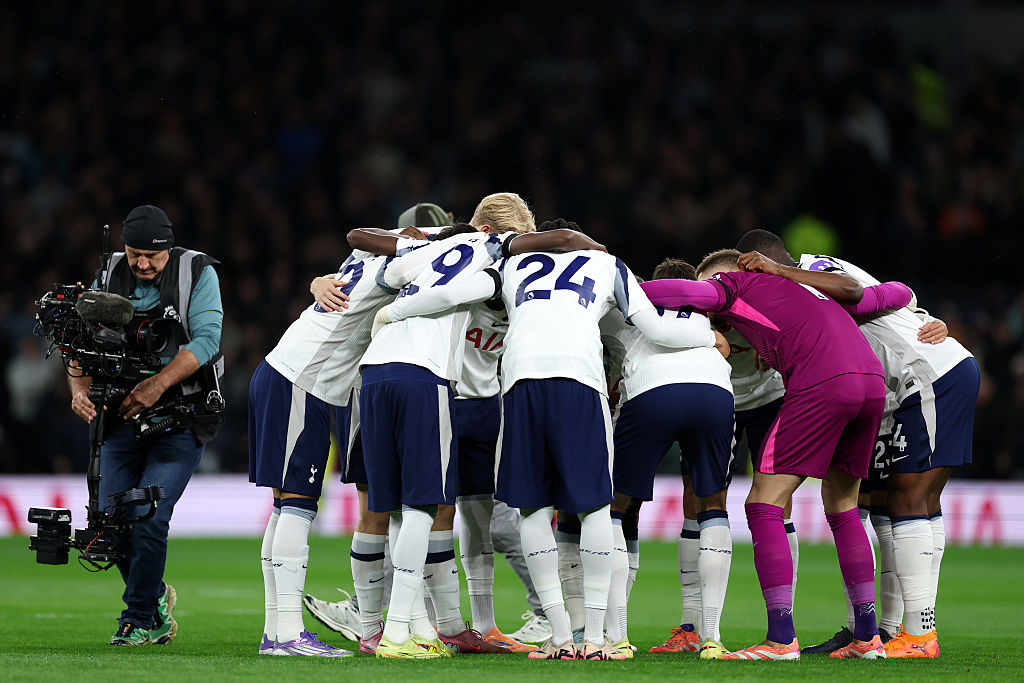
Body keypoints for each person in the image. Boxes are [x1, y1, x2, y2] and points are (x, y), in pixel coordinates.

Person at [641, 249, 913, 661]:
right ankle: (867, 637)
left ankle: (781, 639)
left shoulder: (732, 285)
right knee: (842, 505)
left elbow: (676, 291)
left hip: (823, 382)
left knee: (763, 503)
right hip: (871, 382)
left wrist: (618, 290)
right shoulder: (810, 288)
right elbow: (894, 293)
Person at [734, 229, 978, 658]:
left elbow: (862, 298)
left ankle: (921, 634)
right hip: (892, 392)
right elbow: (894, 296)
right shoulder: (808, 282)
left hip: (924, 377)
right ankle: (876, 631)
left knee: (909, 499)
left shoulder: (807, 275)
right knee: (878, 499)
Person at [248, 213, 428, 655]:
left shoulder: (362, 253)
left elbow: (356, 251)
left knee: (284, 507)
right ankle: (287, 635)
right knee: (296, 506)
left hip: (286, 372)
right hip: (303, 380)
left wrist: (314, 282)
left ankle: (278, 630)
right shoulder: (398, 264)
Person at [68, 205, 223, 646]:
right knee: (109, 520)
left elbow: (209, 339)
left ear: (168, 249)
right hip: (120, 416)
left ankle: (140, 618)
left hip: (181, 416)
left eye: (152, 257)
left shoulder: (197, 271)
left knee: (148, 516)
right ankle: (153, 595)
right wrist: (78, 390)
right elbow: (78, 339)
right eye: (135, 254)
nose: (143, 264)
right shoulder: (110, 271)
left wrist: (156, 385)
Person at [600, 257, 734, 659]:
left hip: (651, 390)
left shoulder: (632, 304)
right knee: (712, 505)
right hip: (713, 391)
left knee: (615, 506)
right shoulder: (709, 312)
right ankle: (711, 638)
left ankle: (617, 636)